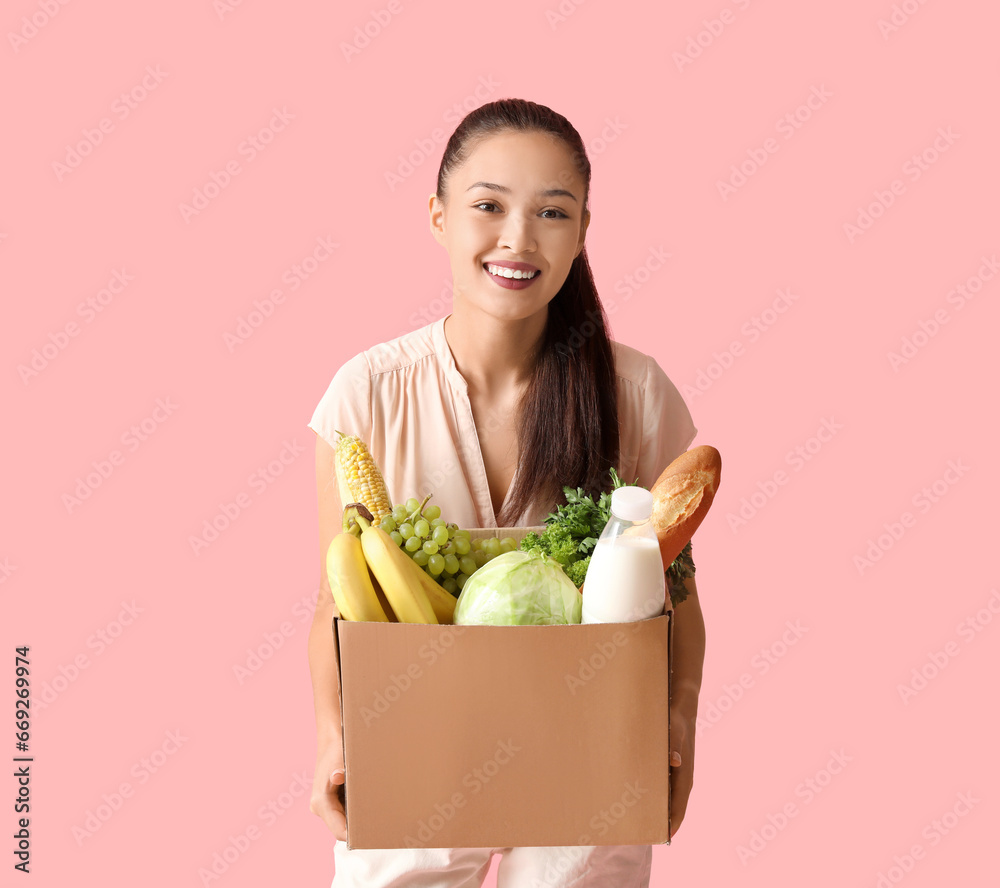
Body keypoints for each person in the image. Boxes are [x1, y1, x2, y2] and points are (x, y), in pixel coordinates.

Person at [306, 98, 706, 887]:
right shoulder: (369, 394)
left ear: (583, 230)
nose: (518, 239)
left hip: (587, 763)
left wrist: (679, 727)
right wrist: (333, 736)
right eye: (488, 206)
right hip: (418, 745)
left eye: (552, 212)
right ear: (438, 216)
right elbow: (335, 601)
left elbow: (679, 596)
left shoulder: (635, 392)